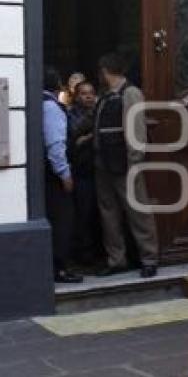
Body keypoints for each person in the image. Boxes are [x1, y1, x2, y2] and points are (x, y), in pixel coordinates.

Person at [94, 52, 159, 279]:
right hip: (104, 165)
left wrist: (135, 162)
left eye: (100, 71)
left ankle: (149, 259)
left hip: (126, 165)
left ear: (105, 71)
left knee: (138, 212)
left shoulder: (130, 93)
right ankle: (117, 260)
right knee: (108, 214)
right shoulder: (105, 96)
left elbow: (136, 131)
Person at [43, 66, 83, 284]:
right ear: (57, 84)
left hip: (46, 175)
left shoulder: (39, 103)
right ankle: (59, 268)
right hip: (54, 176)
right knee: (63, 221)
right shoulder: (51, 108)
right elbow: (55, 144)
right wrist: (65, 174)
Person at [68, 78, 102, 265]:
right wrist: (91, 133)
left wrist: (87, 137)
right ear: (76, 96)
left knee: (100, 214)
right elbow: (74, 136)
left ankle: (99, 253)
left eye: (91, 92)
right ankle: (85, 256)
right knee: (84, 214)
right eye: (83, 93)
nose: (89, 96)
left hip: (101, 171)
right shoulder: (71, 114)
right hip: (82, 173)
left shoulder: (100, 112)